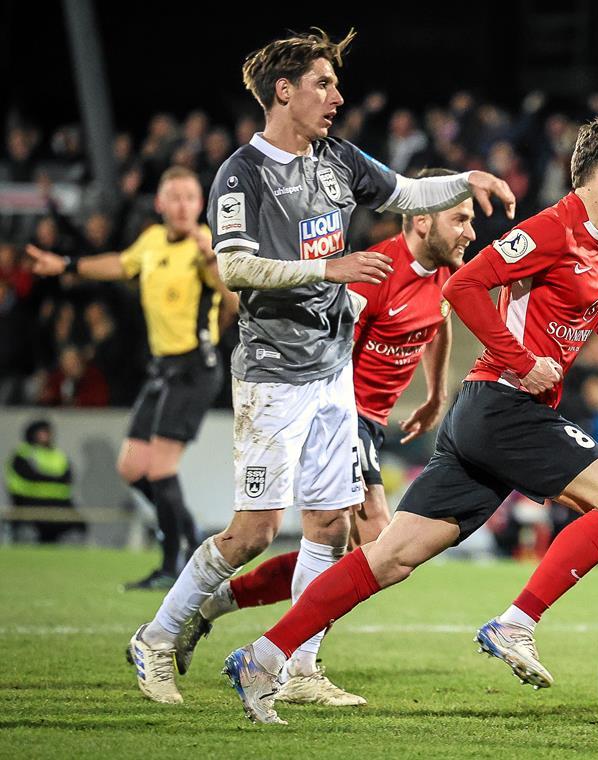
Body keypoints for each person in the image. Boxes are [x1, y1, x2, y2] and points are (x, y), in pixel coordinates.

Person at [221, 115, 598, 725]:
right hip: (501, 404)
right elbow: (463, 287)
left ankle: (263, 657)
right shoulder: (549, 229)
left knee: (390, 557)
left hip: (492, 415)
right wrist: (520, 360)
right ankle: (517, 622)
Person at [125, 28, 514, 708]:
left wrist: (467, 179)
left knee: (330, 525)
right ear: (284, 91)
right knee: (250, 531)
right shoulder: (240, 175)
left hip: (334, 374)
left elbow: (401, 194)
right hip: (272, 376)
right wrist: (326, 268)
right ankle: (156, 637)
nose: (337, 96)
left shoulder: (335, 158)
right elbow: (236, 266)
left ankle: (299, 667)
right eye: (323, 84)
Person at [173, 171, 475, 706]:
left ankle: (220, 607)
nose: (471, 231)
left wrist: (435, 394)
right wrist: (328, 422)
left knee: (349, 555)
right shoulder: (376, 273)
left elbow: (441, 321)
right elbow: (328, 345)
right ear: (422, 219)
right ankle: (293, 664)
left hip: (372, 425)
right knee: (381, 545)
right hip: (345, 414)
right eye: (462, 218)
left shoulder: (443, 276)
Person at [27, 166, 234, 589]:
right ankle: (189, 536)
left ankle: (174, 565)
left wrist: (211, 260)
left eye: (190, 197)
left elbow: (230, 295)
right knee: (132, 466)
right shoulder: (152, 241)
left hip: (196, 367)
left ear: (201, 205)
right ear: (159, 204)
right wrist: (66, 263)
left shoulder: (206, 245)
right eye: (173, 196)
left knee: (160, 467)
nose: (181, 205)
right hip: (162, 370)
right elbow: (119, 265)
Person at [4, 419, 83, 543]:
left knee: (78, 524)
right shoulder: (24, 453)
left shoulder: (58, 455)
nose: (46, 436)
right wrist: (54, 479)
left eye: (48, 432)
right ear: (32, 433)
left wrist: (46, 478)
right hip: (28, 502)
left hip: (58, 503)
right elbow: (29, 476)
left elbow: (67, 477)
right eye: (42, 432)